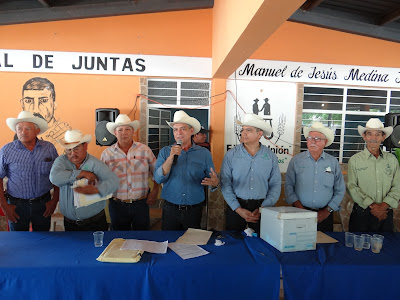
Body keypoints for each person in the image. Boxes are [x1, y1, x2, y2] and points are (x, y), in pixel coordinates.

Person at [154, 110, 218, 230]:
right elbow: (158, 178)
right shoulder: (165, 152)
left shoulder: (204, 153)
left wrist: (214, 183)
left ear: (191, 131)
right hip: (170, 209)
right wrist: (171, 157)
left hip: (194, 209)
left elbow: (213, 179)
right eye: (175, 129)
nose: (179, 133)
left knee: (192, 244)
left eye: (183, 128)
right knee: (169, 243)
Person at [220, 113, 281, 233]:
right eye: (242, 130)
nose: (243, 133)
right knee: (234, 242)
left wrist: (263, 208)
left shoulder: (270, 156)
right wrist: (237, 209)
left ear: (259, 134)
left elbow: (275, 184)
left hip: (262, 207)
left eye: (248, 130)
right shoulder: (231, 155)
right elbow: (225, 183)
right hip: (236, 206)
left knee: (262, 244)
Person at [0, 111, 59, 231]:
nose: (23, 132)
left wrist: (55, 200)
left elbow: (57, 175)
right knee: (19, 243)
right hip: (16, 206)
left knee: (42, 240)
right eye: (19, 128)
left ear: (37, 130)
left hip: (43, 204)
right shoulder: (6, 150)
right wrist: (4, 206)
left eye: (28, 128)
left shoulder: (48, 148)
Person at [50, 129, 119, 231]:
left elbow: (114, 181)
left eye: (76, 148)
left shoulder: (95, 164)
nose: (73, 153)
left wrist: (97, 189)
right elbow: (54, 178)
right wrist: (82, 173)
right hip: (70, 223)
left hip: (95, 222)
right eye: (69, 150)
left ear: (85, 146)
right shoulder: (61, 161)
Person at [101, 114, 160, 230]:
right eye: (120, 130)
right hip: (117, 205)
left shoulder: (145, 150)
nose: (124, 133)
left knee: (142, 237)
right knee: (119, 239)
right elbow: (101, 179)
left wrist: (155, 191)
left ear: (133, 131)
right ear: (115, 132)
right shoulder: (107, 154)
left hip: (141, 204)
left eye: (127, 129)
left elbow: (157, 173)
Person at [285, 122, 345, 231]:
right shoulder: (296, 161)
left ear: (325, 142)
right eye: (310, 138)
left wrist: (327, 211)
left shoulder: (333, 162)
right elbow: (289, 187)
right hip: (300, 213)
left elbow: (340, 190)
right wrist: (301, 209)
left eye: (317, 138)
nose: (313, 141)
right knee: (300, 245)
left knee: (325, 245)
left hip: (325, 215)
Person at [347, 118, 400, 232]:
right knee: (358, 247)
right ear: (364, 137)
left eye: (378, 134)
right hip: (361, 214)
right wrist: (373, 207)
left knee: (385, 247)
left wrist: (383, 206)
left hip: (385, 214)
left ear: (383, 137)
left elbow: (397, 186)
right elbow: (352, 187)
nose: (373, 138)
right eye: (369, 134)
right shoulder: (355, 160)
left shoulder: (392, 160)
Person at [21, 77, 70, 153]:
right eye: (28, 101)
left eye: (43, 101)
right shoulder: (19, 135)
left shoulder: (67, 137)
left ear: (54, 104)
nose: (36, 109)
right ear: (22, 104)